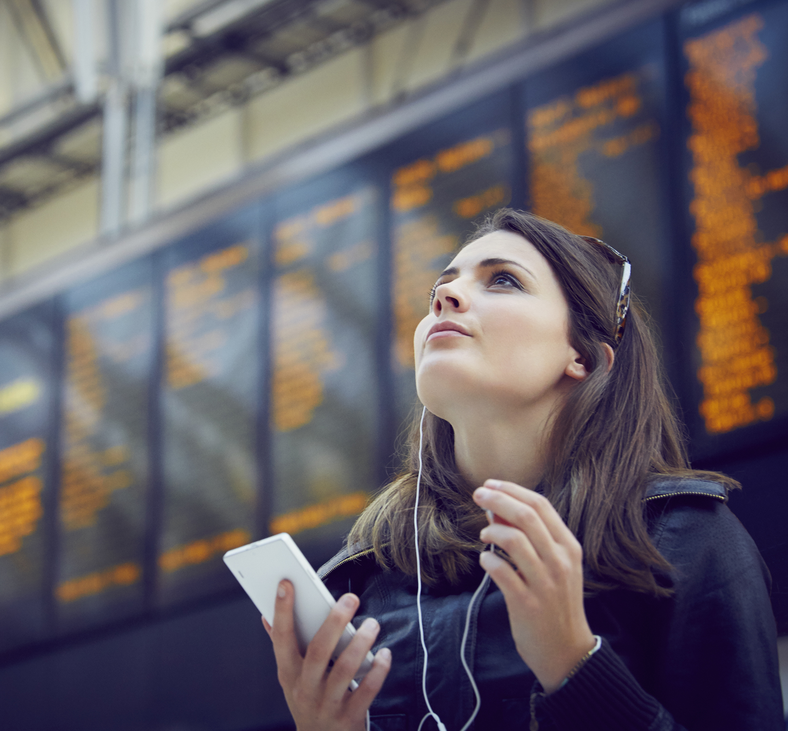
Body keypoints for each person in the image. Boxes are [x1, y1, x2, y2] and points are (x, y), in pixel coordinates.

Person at [262, 209, 783, 730]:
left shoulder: (684, 540)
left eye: (504, 281)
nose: (445, 298)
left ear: (582, 356)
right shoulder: (362, 582)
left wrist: (575, 665)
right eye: (438, 291)